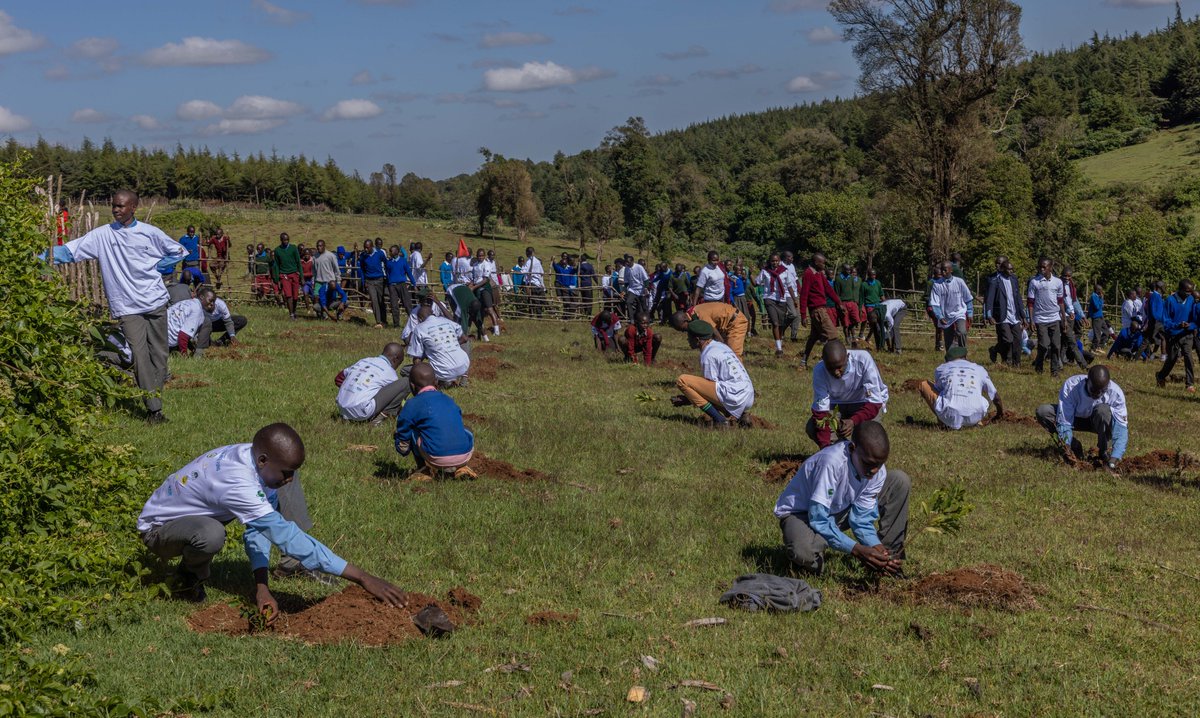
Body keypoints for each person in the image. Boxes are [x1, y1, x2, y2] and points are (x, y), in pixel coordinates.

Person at [137, 423, 407, 611]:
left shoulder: (255, 460)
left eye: (292, 473)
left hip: (196, 516)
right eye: (286, 473)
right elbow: (287, 538)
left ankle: (200, 567)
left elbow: (258, 531)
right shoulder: (238, 481)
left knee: (221, 525)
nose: (289, 481)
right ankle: (187, 579)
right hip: (159, 531)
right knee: (211, 534)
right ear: (264, 460)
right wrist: (362, 577)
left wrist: (261, 586)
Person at [55, 190, 186, 423]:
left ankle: (154, 393)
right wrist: (38, 257)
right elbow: (69, 252)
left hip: (155, 302)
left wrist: (159, 266)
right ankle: (154, 409)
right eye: (114, 205)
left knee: (160, 354)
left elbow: (178, 251)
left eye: (121, 206)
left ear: (134, 207)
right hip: (126, 306)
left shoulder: (149, 233)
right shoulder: (102, 236)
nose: (116, 209)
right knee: (139, 354)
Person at [774, 421, 908, 576]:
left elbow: (861, 520)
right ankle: (812, 551)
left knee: (899, 480)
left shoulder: (877, 470)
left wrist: (877, 548)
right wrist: (856, 550)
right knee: (804, 553)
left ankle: (887, 561)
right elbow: (818, 518)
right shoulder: (831, 462)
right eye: (869, 463)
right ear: (852, 448)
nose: (874, 470)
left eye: (880, 464)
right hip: (802, 514)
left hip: (838, 509)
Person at [394, 363, 477, 481]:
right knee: (466, 429)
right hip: (464, 455)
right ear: (436, 382)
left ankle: (424, 469)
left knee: (413, 430)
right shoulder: (449, 400)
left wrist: (401, 447)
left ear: (412, 386)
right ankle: (461, 468)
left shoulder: (412, 404)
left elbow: (403, 435)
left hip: (435, 457)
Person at [1035, 365, 1129, 470]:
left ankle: (1104, 452)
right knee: (1043, 412)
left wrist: (1114, 458)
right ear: (1086, 381)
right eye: (1093, 390)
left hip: (1098, 422)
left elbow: (1121, 429)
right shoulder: (1071, 386)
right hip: (1075, 418)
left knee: (1103, 411)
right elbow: (1064, 422)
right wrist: (1067, 448)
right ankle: (1074, 446)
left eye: (1102, 391)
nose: (1098, 394)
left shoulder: (1116, 393)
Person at [672, 319, 755, 428]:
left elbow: (709, 389)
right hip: (748, 395)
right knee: (717, 390)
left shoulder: (708, 355)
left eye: (689, 337)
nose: (687, 340)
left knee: (682, 380)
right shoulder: (721, 346)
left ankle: (720, 420)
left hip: (736, 395)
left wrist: (688, 399)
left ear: (697, 340)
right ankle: (741, 416)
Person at [807, 339, 889, 449]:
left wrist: (853, 421)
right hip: (835, 405)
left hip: (864, 403)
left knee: (870, 433)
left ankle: (860, 453)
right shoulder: (819, 370)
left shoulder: (863, 360)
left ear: (847, 356)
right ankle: (840, 451)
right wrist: (825, 449)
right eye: (831, 369)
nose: (836, 372)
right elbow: (820, 413)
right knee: (812, 427)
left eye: (839, 367)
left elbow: (874, 404)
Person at [916, 346, 1004, 430]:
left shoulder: (941, 369)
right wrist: (999, 414)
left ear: (947, 360)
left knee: (924, 384)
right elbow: (995, 396)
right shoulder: (979, 369)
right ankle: (975, 422)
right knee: (980, 398)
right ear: (965, 357)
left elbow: (939, 391)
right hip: (976, 415)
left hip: (950, 415)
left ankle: (944, 423)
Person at [336, 343, 409, 423]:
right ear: (395, 359)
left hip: (341, 408)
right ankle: (380, 418)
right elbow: (394, 397)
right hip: (363, 412)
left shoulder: (364, 361)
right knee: (406, 382)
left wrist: (353, 391)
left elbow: (338, 378)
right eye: (399, 362)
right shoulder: (390, 372)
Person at [798, 253, 843, 368]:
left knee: (813, 337)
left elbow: (828, 289)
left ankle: (803, 362)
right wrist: (803, 315)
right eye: (822, 262)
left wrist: (838, 302)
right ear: (816, 262)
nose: (824, 265)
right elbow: (804, 295)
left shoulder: (819, 274)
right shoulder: (809, 273)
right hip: (818, 311)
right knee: (833, 336)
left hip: (821, 309)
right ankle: (832, 363)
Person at [407, 306, 472, 386]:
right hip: (463, 366)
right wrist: (447, 346)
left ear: (420, 319)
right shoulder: (448, 321)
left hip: (441, 372)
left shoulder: (419, 328)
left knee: (404, 370)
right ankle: (462, 378)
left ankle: (436, 382)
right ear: (433, 314)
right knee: (466, 342)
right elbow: (464, 339)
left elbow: (416, 359)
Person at [669, 300, 749, 359]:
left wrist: (723, 348)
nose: (684, 331)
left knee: (733, 356)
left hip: (735, 321)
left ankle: (739, 380)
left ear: (685, 320)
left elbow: (715, 333)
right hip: (725, 324)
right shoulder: (692, 316)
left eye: (683, 329)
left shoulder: (699, 315)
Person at [1156, 279, 1196, 392]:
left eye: (1191, 291)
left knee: (1189, 357)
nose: (1190, 293)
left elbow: (1194, 317)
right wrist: (1178, 325)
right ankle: (1161, 376)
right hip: (1174, 335)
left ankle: (1189, 384)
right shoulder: (1169, 301)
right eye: (1188, 291)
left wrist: (1191, 325)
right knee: (1172, 359)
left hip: (1187, 334)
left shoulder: (1191, 299)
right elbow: (1166, 320)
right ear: (1180, 290)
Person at [1027, 258, 1065, 376]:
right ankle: (1039, 365)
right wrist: (1031, 320)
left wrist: (1064, 318)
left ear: (1050, 267)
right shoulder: (1034, 282)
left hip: (1054, 318)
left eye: (1044, 267)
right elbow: (1030, 302)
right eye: (1040, 267)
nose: (1041, 269)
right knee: (1043, 344)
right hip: (1040, 318)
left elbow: (1060, 301)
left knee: (1056, 345)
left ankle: (1055, 371)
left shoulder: (1058, 282)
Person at [984, 259, 1025, 366]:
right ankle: (995, 349)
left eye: (1012, 269)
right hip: (1002, 315)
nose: (1011, 271)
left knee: (1018, 340)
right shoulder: (995, 281)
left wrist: (1024, 316)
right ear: (1003, 269)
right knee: (1008, 339)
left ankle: (1017, 363)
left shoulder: (1014, 280)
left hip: (1014, 315)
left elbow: (1018, 298)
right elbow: (989, 299)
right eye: (1009, 269)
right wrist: (989, 315)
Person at [757, 253, 797, 357]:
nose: (775, 263)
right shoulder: (765, 271)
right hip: (769, 298)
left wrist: (794, 299)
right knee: (775, 323)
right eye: (772, 261)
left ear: (779, 261)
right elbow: (756, 282)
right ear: (769, 262)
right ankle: (779, 349)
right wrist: (748, 275)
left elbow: (789, 286)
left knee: (781, 324)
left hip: (781, 300)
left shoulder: (785, 271)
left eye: (776, 261)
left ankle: (780, 339)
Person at [929, 260, 972, 349]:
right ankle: (951, 359)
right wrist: (940, 317)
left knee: (962, 332)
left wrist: (970, 312)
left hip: (959, 312)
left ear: (951, 270)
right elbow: (935, 304)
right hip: (945, 315)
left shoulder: (959, 282)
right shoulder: (937, 285)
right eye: (942, 270)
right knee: (949, 343)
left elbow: (968, 298)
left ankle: (963, 351)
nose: (943, 272)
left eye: (945, 270)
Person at [166, 292, 212, 356]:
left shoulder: (187, 302)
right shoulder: (197, 310)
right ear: (202, 297)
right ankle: (198, 354)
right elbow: (183, 336)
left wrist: (192, 349)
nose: (212, 303)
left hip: (159, 336)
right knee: (207, 322)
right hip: (168, 342)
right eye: (210, 300)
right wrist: (184, 355)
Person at [359, 238, 388, 328]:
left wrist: (387, 276)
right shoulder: (363, 256)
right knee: (374, 301)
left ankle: (384, 320)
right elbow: (362, 269)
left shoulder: (379, 253)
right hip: (369, 281)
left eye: (367, 247)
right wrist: (364, 281)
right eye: (364, 247)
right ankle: (378, 321)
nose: (365, 249)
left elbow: (386, 263)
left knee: (380, 300)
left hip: (379, 280)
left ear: (372, 246)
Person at [833, 264, 864, 346]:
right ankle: (848, 338)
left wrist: (854, 301)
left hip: (852, 302)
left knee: (856, 320)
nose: (849, 272)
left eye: (850, 270)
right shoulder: (838, 279)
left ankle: (853, 335)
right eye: (847, 270)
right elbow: (836, 293)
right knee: (846, 323)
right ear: (843, 269)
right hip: (843, 303)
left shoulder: (851, 278)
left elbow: (852, 290)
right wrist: (839, 304)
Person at [385, 244, 415, 327]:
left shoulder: (403, 261)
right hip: (392, 286)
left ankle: (413, 322)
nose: (390, 252)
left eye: (391, 250)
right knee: (394, 305)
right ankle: (396, 324)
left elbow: (408, 272)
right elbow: (387, 274)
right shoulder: (389, 263)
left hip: (402, 284)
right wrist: (389, 283)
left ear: (397, 251)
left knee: (407, 304)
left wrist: (414, 283)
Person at [861, 268, 885, 350]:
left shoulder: (878, 283)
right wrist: (861, 307)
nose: (873, 276)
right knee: (874, 324)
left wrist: (884, 303)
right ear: (868, 275)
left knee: (878, 324)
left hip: (877, 305)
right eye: (872, 275)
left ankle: (869, 338)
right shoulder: (864, 285)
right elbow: (861, 297)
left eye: (874, 274)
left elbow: (881, 294)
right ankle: (872, 340)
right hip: (869, 306)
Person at [621, 254, 650, 320]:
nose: (627, 263)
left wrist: (646, 288)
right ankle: (632, 320)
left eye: (628, 262)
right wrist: (624, 290)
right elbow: (626, 281)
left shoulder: (639, 267)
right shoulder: (626, 269)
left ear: (632, 261)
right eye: (626, 262)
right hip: (632, 289)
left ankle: (648, 319)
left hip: (641, 289)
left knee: (644, 306)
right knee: (628, 302)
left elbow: (646, 279)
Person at [1143, 280, 1166, 361]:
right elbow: (1151, 309)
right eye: (1164, 286)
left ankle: (1156, 355)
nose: (1165, 288)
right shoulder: (1154, 296)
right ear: (1159, 287)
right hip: (1156, 321)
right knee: (1149, 340)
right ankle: (1160, 355)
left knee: (1161, 338)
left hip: (1159, 321)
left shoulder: (1159, 296)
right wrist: (1156, 318)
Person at [524, 247, 547, 317]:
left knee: (535, 300)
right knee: (540, 300)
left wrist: (513, 271)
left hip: (533, 283)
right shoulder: (537, 261)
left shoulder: (528, 262)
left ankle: (537, 315)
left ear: (528, 253)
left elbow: (523, 271)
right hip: (538, 283)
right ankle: (539, 315)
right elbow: (542, 273)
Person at [1087, 286, 1110, 350]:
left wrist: (1100, 299)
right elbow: (1097, 307)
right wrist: (1101, 299)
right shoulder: (1094, 296)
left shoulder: (1097, 296)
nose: (1102, 291)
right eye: (1100, 290)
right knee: (1097, 335)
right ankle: (1093, 349)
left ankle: (1099, 347)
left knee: (1106, 332)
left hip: (1100, 317)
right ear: (1097, 290)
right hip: (1096, 318)